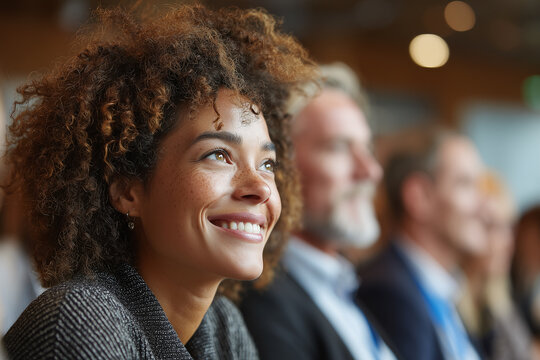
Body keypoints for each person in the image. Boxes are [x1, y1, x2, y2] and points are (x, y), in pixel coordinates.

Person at [3, 4, 315, 359]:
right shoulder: (81, 320)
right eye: (218, 155)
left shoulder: (223, 327)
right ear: (127, 191)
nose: (260, 187)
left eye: (267, 163)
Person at [240, 63, 398, 360]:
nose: (371, 171)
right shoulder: (264, 300)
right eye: (339, 147)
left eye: (368, 148)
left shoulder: (342, 287)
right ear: (279, 165)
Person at [357, 128, 487, 360]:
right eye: (465, 184)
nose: (483, 204)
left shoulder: (440, 289)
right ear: (419, 196)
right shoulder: (390, 293)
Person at [458, 171, 535, 360]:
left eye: (508, 227)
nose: (507, 242)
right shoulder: (450, 304)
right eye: (492, 227)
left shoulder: (497, 301)